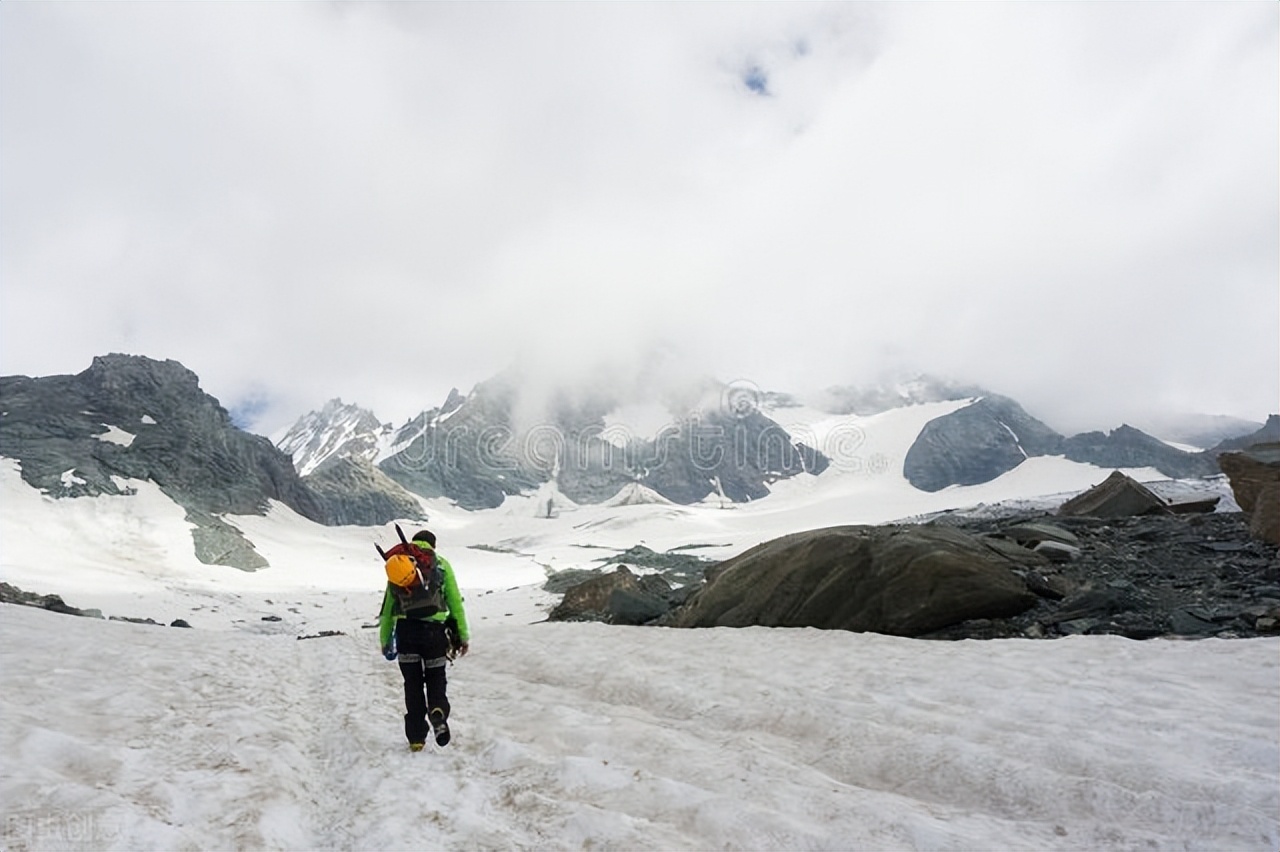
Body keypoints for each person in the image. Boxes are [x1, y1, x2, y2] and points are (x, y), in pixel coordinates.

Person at [378, 529, 470, 751]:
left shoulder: (401, 565)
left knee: (413, 685)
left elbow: (388, 607)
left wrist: (385, 640)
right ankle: (437, 710)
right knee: (436, 677)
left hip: (406, 631)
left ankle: (416, 738)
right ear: (433, 545)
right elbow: (455, 601)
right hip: (434, 633)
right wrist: (463, 635)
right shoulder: (441, 564)